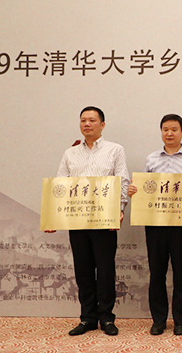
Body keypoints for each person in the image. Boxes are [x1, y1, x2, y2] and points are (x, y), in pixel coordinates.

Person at [127, 114, 182, 336]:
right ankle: (159, 320)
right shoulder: (151, 159)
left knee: (181, 270)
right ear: (161, 132)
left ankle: (181, 320)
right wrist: (134, 190)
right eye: (165, 129)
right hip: (155, 224)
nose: (169, 133)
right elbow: (145, 189)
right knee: (157, 272)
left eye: (174, 129)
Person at [52, 106, 130, 336]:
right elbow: (60, 185)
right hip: (77, 220)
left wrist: (119, 210)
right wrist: (53, 217)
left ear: (102, 125)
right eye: (83, 120)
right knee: (83, 270)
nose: (87, 124)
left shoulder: (115, 150)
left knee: (105, 271)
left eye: (92, 120)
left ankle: (106, 318)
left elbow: (122, 181)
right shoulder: (70, 153)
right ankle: (87, 318)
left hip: (104, 220)